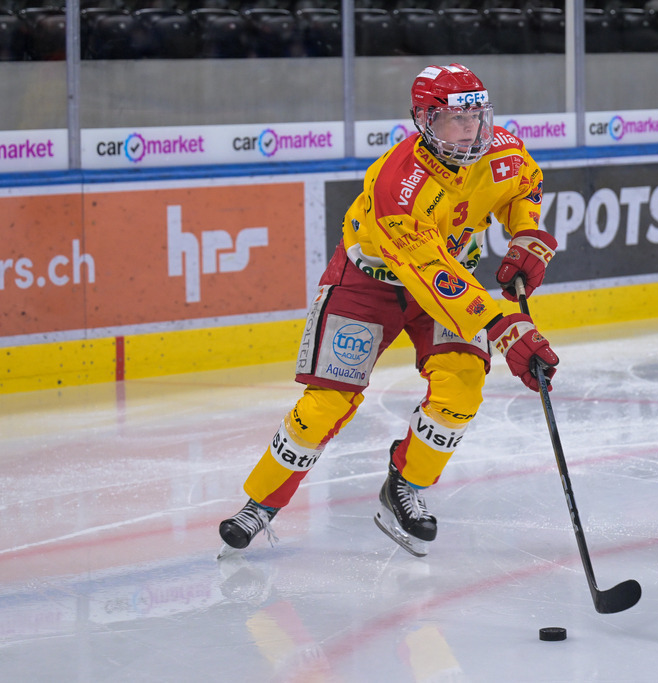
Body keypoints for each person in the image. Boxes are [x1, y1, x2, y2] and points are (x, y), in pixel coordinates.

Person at [218, 63, 560, 557]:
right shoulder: (397, 185)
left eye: (479, 118)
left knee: (461, 388)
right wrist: (504, 325)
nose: (473, 132)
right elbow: (431, 277)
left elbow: (525, 184)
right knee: (325, 406)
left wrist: (526, 231)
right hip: (369, 285)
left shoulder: (502, 150)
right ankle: (260, 505)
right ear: (424, 119)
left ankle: (404, 488)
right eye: (456, 120)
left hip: (450, 283)